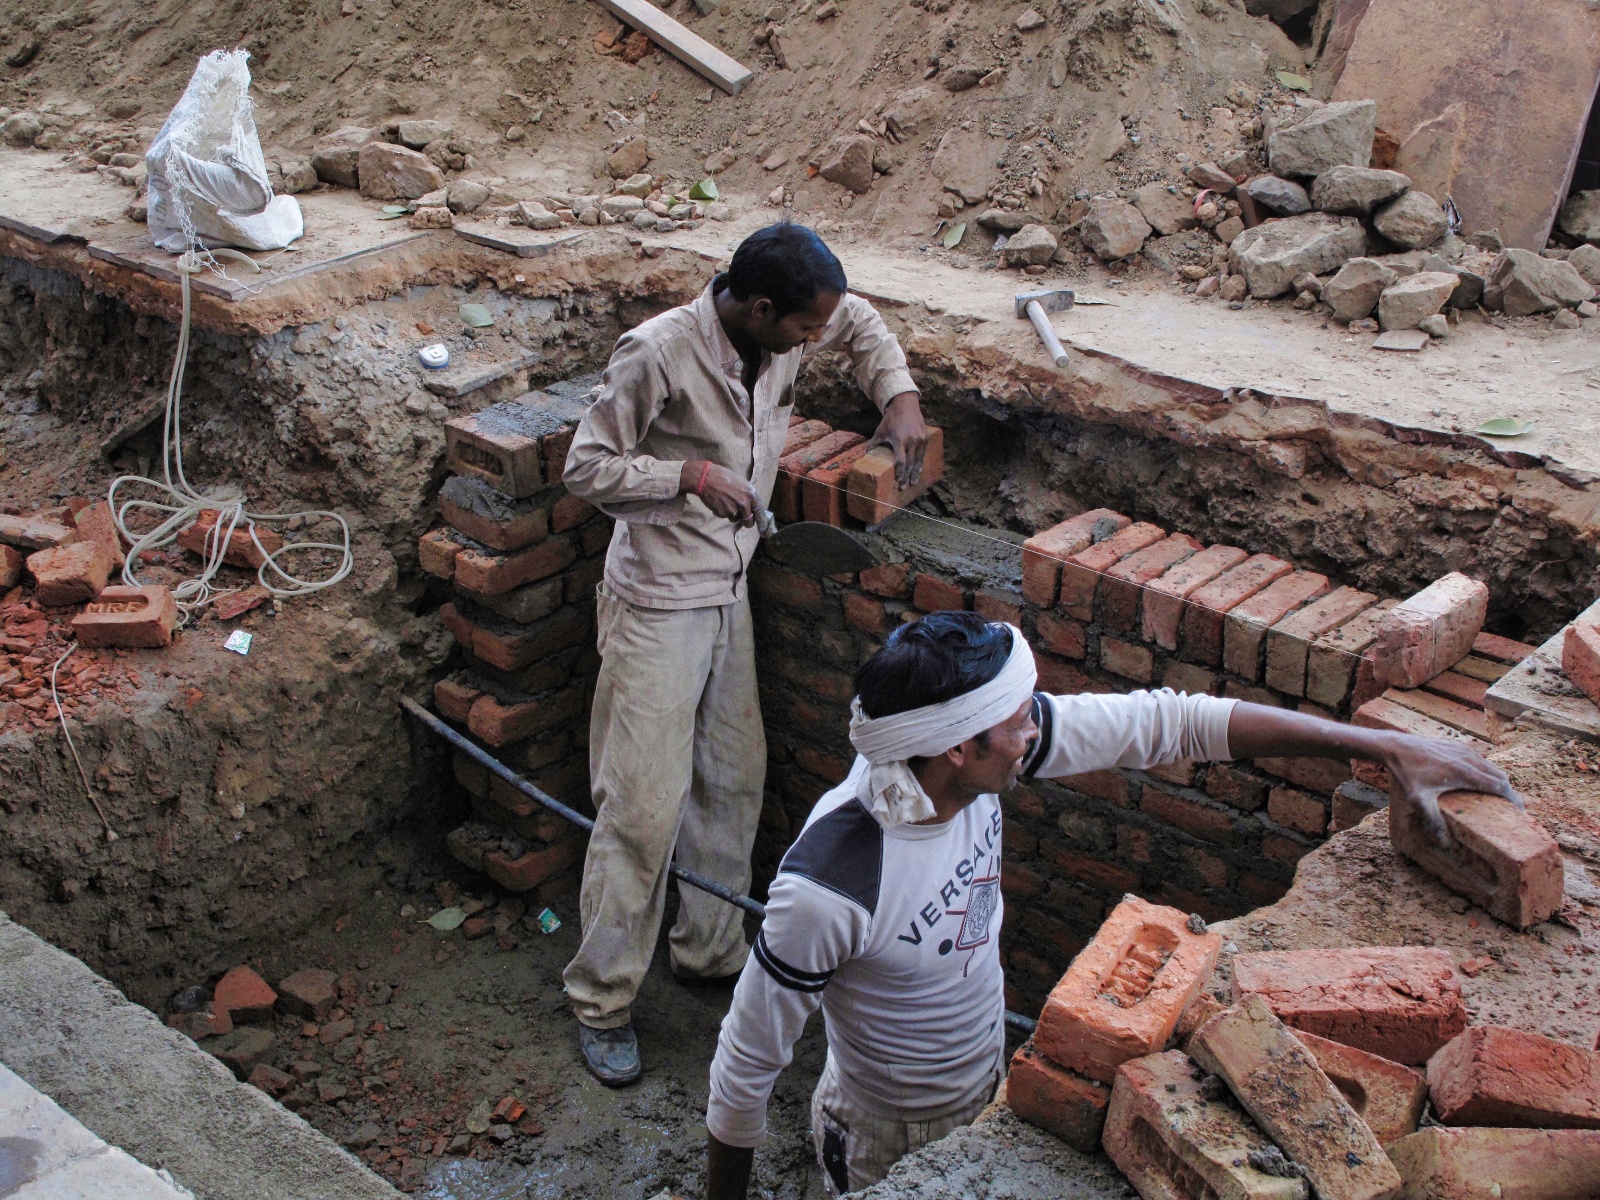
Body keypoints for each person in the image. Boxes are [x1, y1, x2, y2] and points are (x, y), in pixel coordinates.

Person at [703, 611, 1518, 1198]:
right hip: (882, 1135)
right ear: (958, 745)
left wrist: (1384, 747)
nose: (1037, 731)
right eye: (1020, 721)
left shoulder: (986, 755)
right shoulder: (834, 882)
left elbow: (1167, 725)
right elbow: (747, 1064)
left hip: (988, 1083)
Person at [560, 223, 931, 1086]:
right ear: (759, 309)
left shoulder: (787, 323)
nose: (816, 340)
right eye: (805, 330)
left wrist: (899, 396)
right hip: (655, 603)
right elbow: (585, 466)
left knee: (732, 781)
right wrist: (684, 477)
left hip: (728, 595)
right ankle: (603, 998)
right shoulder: (656, 352)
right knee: (642, 809)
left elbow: (862, 322)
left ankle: (708, 951)